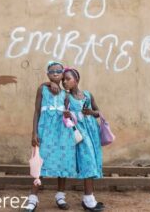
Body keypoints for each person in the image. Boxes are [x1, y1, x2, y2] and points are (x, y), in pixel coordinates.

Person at [25, 61, 77, 211]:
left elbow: (71, 114)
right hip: (45, 131)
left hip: (62, 133)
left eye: (58, 71)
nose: (55, 73)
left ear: (62, 75)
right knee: (39, 163)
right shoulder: (42, 89)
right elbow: (37, 111)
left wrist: (68, 113)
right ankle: (33, 199)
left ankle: (60, 197)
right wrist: (34, 132)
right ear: (47, 74)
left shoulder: (65, 94)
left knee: (63, 162)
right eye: (52, 71)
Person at [62, 68, 105, 212]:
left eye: (68, 79)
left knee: (93, 161)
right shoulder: (66, 98)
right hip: (80, 134)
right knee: (88, 163)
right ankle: (88, 200)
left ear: (77, 80)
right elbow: (62, 116)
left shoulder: (87, 95)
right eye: (63, 80)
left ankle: (89, 199)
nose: (65, 82)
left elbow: (98, 112)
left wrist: (91, 112)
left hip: (92, 133)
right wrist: (67, 115)